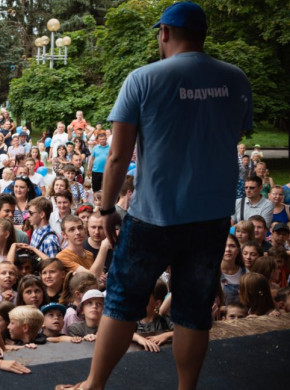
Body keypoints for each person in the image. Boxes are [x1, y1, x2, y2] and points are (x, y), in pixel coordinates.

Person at [58, 3, 253, 389]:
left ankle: (94, 384)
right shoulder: (236, 79)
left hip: (153, 215)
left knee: (121, 302)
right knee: (193, 311)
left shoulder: (142, 79)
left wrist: (107, 207)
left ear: (164, 32)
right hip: (211, 216)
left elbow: (116, 155)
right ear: (203, 35)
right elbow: (231, 136)